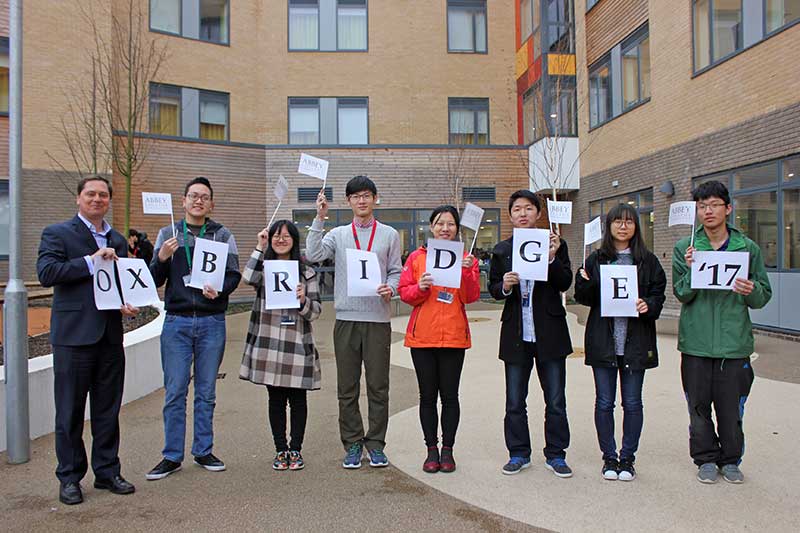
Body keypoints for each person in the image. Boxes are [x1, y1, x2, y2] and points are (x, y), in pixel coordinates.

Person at [37, 175, 139, 505]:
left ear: (109, 200)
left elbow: (120, 283)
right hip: (74, 338)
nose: (97, 199)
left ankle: (107, 471)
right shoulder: (58, 233)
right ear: (79, 198)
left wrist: (127, 303)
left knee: (107, 410)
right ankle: (69, 477)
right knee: (69, 412)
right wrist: (89, 262)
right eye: (90, 194)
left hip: (109, 337)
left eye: (103, 195)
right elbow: (47, 273)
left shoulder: (118, 239)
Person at [672, 180, 771, 484]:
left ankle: (731, 460)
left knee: (731, 410)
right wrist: (690, 269)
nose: (708, 211)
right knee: (698, 407)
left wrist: (750, 290)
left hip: (733, 343)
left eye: (714, 205)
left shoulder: (747, 247)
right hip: (696, 343)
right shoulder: (685, 248)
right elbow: (681, 294)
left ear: (728, 209)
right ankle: (704, 458)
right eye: (702, 206)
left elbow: (763, 295)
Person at [146, 176, 242, 480]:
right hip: (177, 322)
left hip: (212, 321)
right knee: (175, 390)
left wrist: (222, 291)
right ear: (183, 201)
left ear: (211, 203)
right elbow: (154, 279)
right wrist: (161, 258)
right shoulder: (168, 233)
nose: (198, 201)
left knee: (206, 391)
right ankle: (171, 455)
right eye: (193, 196)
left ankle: (203, 450)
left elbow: (233, 274)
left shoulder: (222, 234)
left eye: (204, 197)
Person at [305, 175, 402, 469]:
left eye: (367, 195)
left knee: (378, 386)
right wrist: (319, 219)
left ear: (375, 199)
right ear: (348, 201)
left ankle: (376, 444)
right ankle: (352, 443)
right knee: (347, 387)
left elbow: (396, 271)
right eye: (356, 196)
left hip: (377, 319)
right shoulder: (338, 234)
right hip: (347, 319)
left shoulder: (389, 234)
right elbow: (313, 253)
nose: (362, 200)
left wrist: (392, 287)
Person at [574, 203, 666, 482]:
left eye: (629, 221)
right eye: (617, 221)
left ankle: (627, 458)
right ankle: (609, 457)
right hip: (604, 341)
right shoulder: (596, 259)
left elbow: (658, 295)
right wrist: (584, 281)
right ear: (609, 226)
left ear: (636, 226)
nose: (623, 226)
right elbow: (584, 298)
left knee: (633, 403)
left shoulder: (648, 261)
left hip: (635, 341)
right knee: (604, 402)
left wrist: (647, 304)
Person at [488, 190, 574, 477]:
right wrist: (506, 285)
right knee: (514, 399)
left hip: (549, 331)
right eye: (517, 210)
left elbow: (565, 282)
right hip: (516, 331)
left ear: (538, 214)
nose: (522, 214)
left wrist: (551, 258)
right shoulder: (502, 249)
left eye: (528, 209)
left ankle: (556, 454)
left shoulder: (554, 244)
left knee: (556, 399)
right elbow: (494, 290)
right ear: (510, 215)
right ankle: (518, 453)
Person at [398, 205, 481, 473]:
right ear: (431, 227)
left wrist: (467, 271)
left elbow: (470, 296)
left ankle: (448, 450)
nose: (445, 228)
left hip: (454, 336)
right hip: (423, 337)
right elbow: (405, 293)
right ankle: (431, 449)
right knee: (427, 397)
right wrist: (419, 288)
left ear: (457, 228)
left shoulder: (468, 259)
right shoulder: (416, 258)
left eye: (450, 224)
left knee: (450, 397)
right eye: (439, 223)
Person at [240, 220, 322, 471]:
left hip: (296, 342)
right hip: (270, 342)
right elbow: (247, 278)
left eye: (286, 236)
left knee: (298, 400)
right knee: (275, 399)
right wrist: (258, 246)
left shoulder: (306, 272)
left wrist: (302, 300)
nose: (281, 239)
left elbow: (316, 311)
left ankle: (295, 449)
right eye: (276, 235)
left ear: (295, 240)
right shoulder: (264, 268)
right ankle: (280, 449)